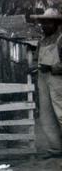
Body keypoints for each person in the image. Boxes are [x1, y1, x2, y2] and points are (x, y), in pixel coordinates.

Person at [31, 8, 62, 156]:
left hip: (58, 80)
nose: (45, 26)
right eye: (43, 23)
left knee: (61, 113)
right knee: (46, 115)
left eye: (48, 23)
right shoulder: (41, 42)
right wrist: (33, 67)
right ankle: (56, 148)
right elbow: (36, 60)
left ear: (56, 24)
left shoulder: (61, 39)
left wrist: (51, 67)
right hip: (43, 80)